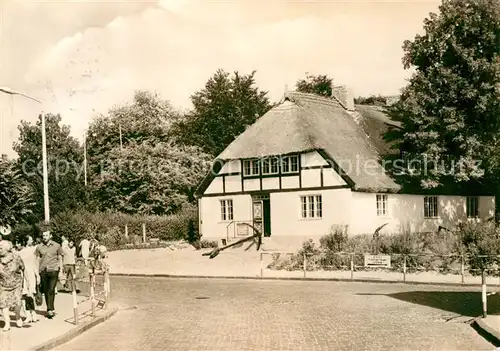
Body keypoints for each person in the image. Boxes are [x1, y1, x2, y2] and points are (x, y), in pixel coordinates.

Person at [35, 230, 63, 319]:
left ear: (50, 235)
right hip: (43, 270)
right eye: (43, 235)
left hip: (54, 270)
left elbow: (60, 258)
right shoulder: (39, 247)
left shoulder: (57, 245)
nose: (44, 237)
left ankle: (49, 309)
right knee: (47, 290)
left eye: (46, 235)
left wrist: (61, 270)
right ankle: (51, 308)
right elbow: (37, 259)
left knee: (51, 290)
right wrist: (37, 271)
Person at [0, 240, 25, 330]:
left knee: (17, 302)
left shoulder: (16, 257)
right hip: (3, 285)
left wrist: (27, 283)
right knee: (3, 303)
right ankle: (7, 322)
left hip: (16, 284)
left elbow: (23, 268)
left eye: (1, 247)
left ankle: (17, 316)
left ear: (7, 248)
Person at [18, 235, 39, 323]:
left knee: (31, 295)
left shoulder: (33, 250)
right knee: (24, 295)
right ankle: (28, 315)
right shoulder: (21, 252)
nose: (32, 241)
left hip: (30, 273)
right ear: (27, 241)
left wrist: (37, 275)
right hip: (24, 274)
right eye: (30, 239)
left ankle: (33, 314)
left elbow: (35, 263)